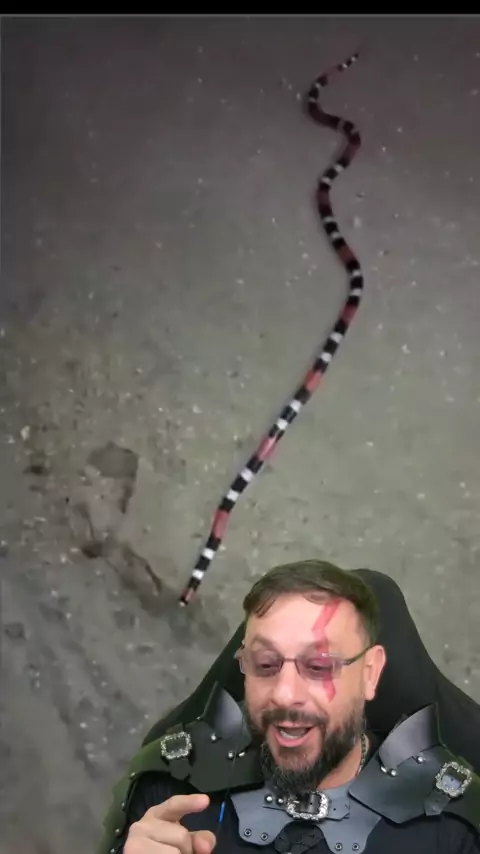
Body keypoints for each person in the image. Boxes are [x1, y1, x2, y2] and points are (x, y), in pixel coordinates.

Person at [98, 560, 480, 854]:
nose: (284, 694)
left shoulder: (451, 831)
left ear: (370, 673)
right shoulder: (171, 793)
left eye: (318, 666)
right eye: (266, 664)